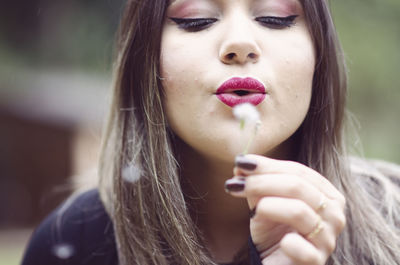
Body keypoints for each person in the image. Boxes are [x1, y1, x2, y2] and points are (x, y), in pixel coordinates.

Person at [22, 0, 400, 264]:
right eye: (196, 19)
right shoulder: (73, 241)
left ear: (320, 56)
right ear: (144, 62)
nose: (239, 43)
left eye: (274, 16)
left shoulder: (394, 222)